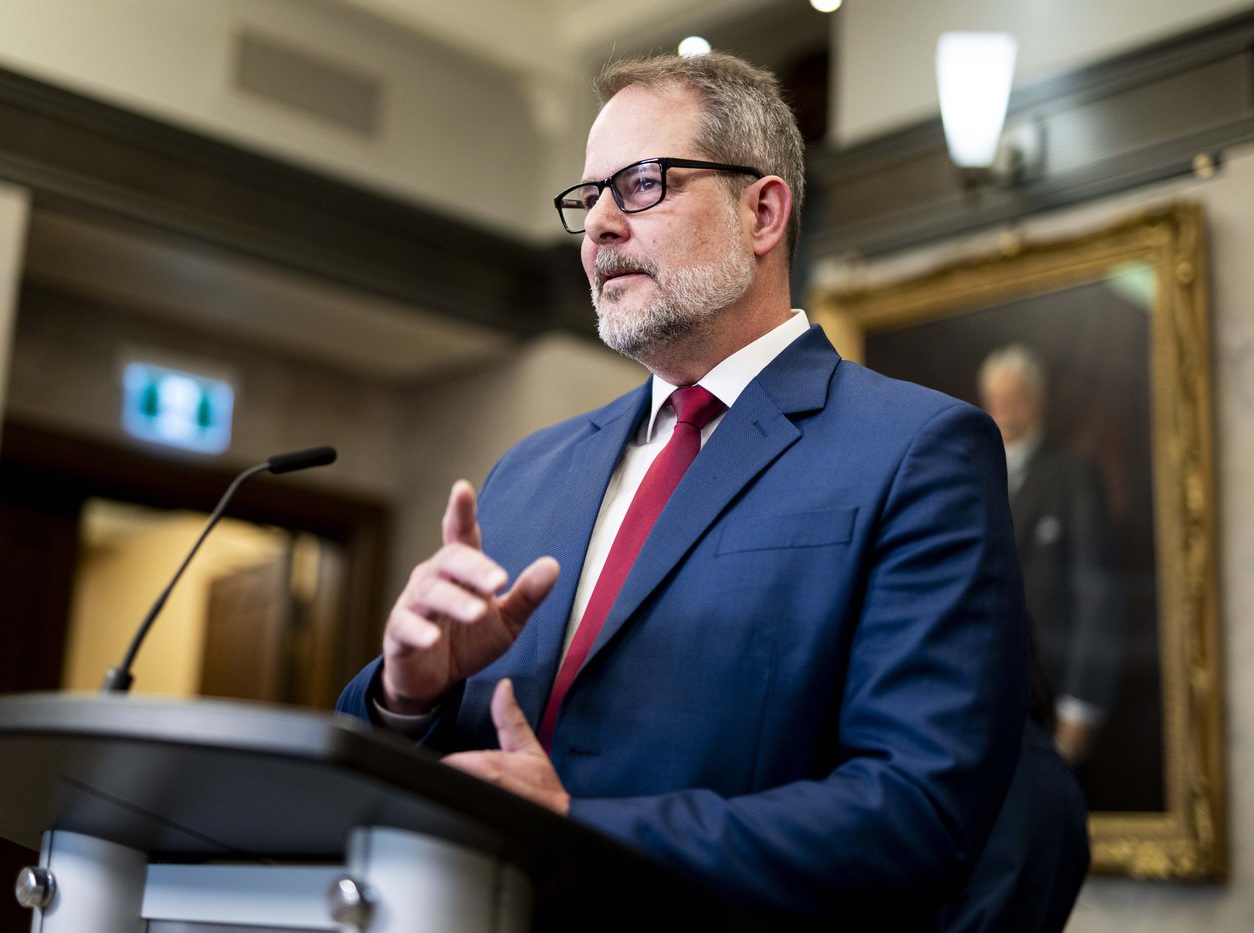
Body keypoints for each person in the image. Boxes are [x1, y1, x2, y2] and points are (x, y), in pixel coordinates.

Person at [338, 52, 1029, 926]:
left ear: (762, 212)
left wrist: (578, 829)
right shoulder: (529, 471)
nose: (598, 227)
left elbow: (918, 812)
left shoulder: (916, 451)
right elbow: (416, 761)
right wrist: (409, 698)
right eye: (588, 198)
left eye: (641, 184)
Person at [978, 343, 1125, 765]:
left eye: (1017, 398)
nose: (1006, 411)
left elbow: (1097, 595)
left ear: (1038, 401)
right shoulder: (971, 474)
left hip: (1053, 695)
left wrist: (1081, 706)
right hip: (982, 697)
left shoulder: (1074, 475)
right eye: (997, 400)